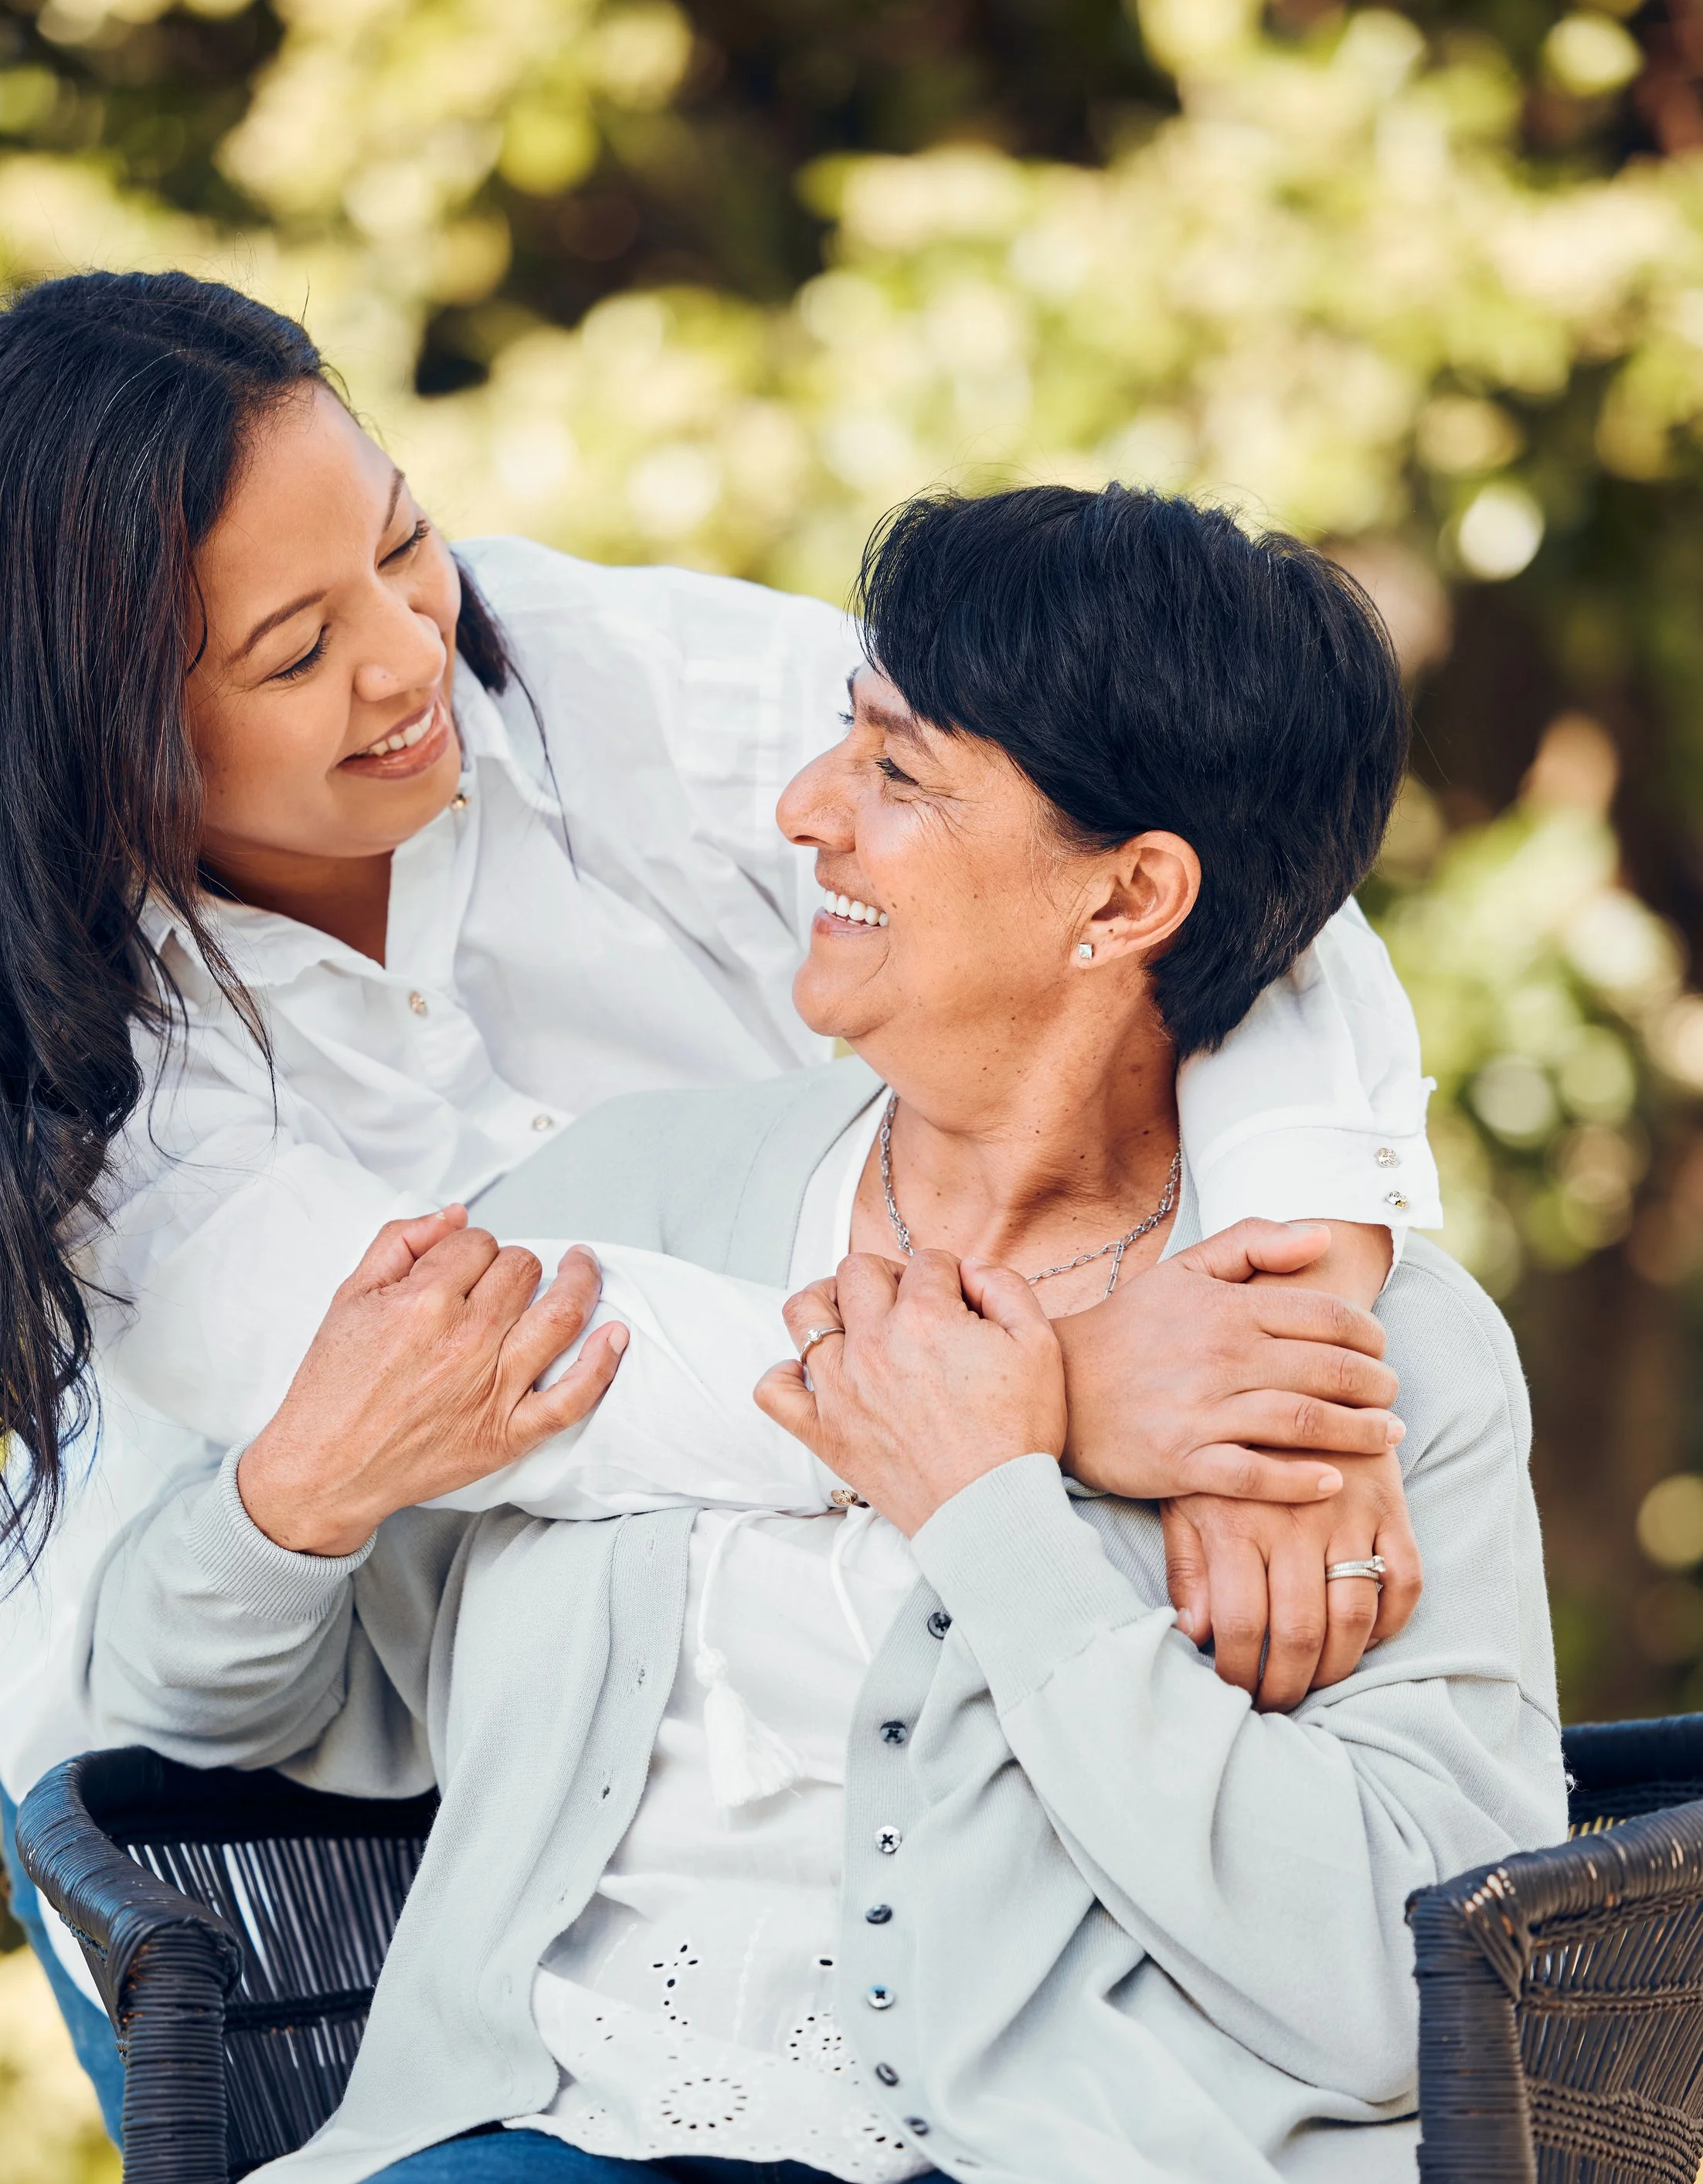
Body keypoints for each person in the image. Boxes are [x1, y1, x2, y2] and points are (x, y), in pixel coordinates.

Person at [0, 270, 1426, 2125]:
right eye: (295, 653)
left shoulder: (593, 669)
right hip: (262, 1772)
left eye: (406, 545)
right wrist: (1058, 1395)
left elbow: (1197, 851)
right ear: (89, 729)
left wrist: (1289, 1348)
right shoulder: (68, 1060)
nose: (408, 656)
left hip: (723, 1707)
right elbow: (506, 1375)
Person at [85, 484, 1562, 2184]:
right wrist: (297, 1502)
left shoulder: (1350, 1375)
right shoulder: (616, 1204)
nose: (802, 813)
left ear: (1129, 894)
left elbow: (1407, 1989)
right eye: (837, 746)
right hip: (535, 2132)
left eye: (896, 774)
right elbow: (204, 1697)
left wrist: (998, 1521)